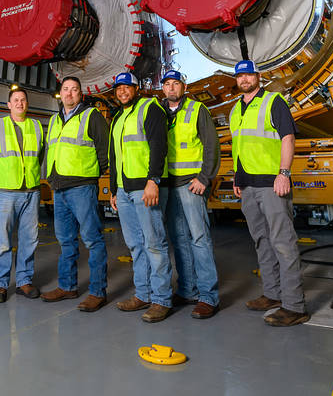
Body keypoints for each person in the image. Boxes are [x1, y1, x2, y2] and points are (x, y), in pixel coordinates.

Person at [230, 60, 309, 327]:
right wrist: (237, 178)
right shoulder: (235, 110)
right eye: (240, 76)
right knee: (261, 241)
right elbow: (240, 147)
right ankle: (273, 294)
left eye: (248, 75)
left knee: (283, 242)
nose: (244, 79)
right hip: (249, 186)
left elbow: (288, 138)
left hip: (272, 183)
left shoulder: (273, 102)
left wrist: (284, 173)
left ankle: (295, 305)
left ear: (258, 77)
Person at [40, 76, 109, 312]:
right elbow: (52, 150)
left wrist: (92, 175)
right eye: (66, 89)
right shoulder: (55, 120)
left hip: (82, 187)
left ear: (81, 94)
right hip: (59, 188)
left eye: (74, 90)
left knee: (92, 239)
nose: (69, 93)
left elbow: (104, 150)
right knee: (66, 241)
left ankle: (98, 292)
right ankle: (67, 286)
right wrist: (50, 177)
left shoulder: (91, 116)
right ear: (61, 93)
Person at [108, 71, 172, 323]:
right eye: (118, 88)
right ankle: (143, 294)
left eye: (127, 87)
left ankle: (161, 299)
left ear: (137, 89)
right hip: (123, 190)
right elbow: (115, 157)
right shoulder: (117, 118)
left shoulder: (149, 107)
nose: (122, 91)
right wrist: (114, 190)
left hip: (145, 188)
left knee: (154, 244)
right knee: (135, 245)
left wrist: (153, 181)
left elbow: (159, 145)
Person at [161, 69, 221, 319]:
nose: (172, 88)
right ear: (162, 88)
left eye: (176, 84)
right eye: (167, 84)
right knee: (179, 240)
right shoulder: (159, 111)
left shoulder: (197, 110)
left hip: (191, 184)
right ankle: (187, 289)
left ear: (183, 87)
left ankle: (209, 296)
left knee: (199, 238)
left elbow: (211, 145)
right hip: (168, 184)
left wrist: (204, 178)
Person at [0, 87, 44, 303]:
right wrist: (1, 179)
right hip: (7, 192)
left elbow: (40, 155)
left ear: (27, 103)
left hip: (31, 191)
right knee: (3, 240)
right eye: (15, 100)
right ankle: (0, 285)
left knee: (30, 239)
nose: (20, 103)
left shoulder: (36, 126)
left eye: (23, 100)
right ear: (9, 105)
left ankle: (24, 281)